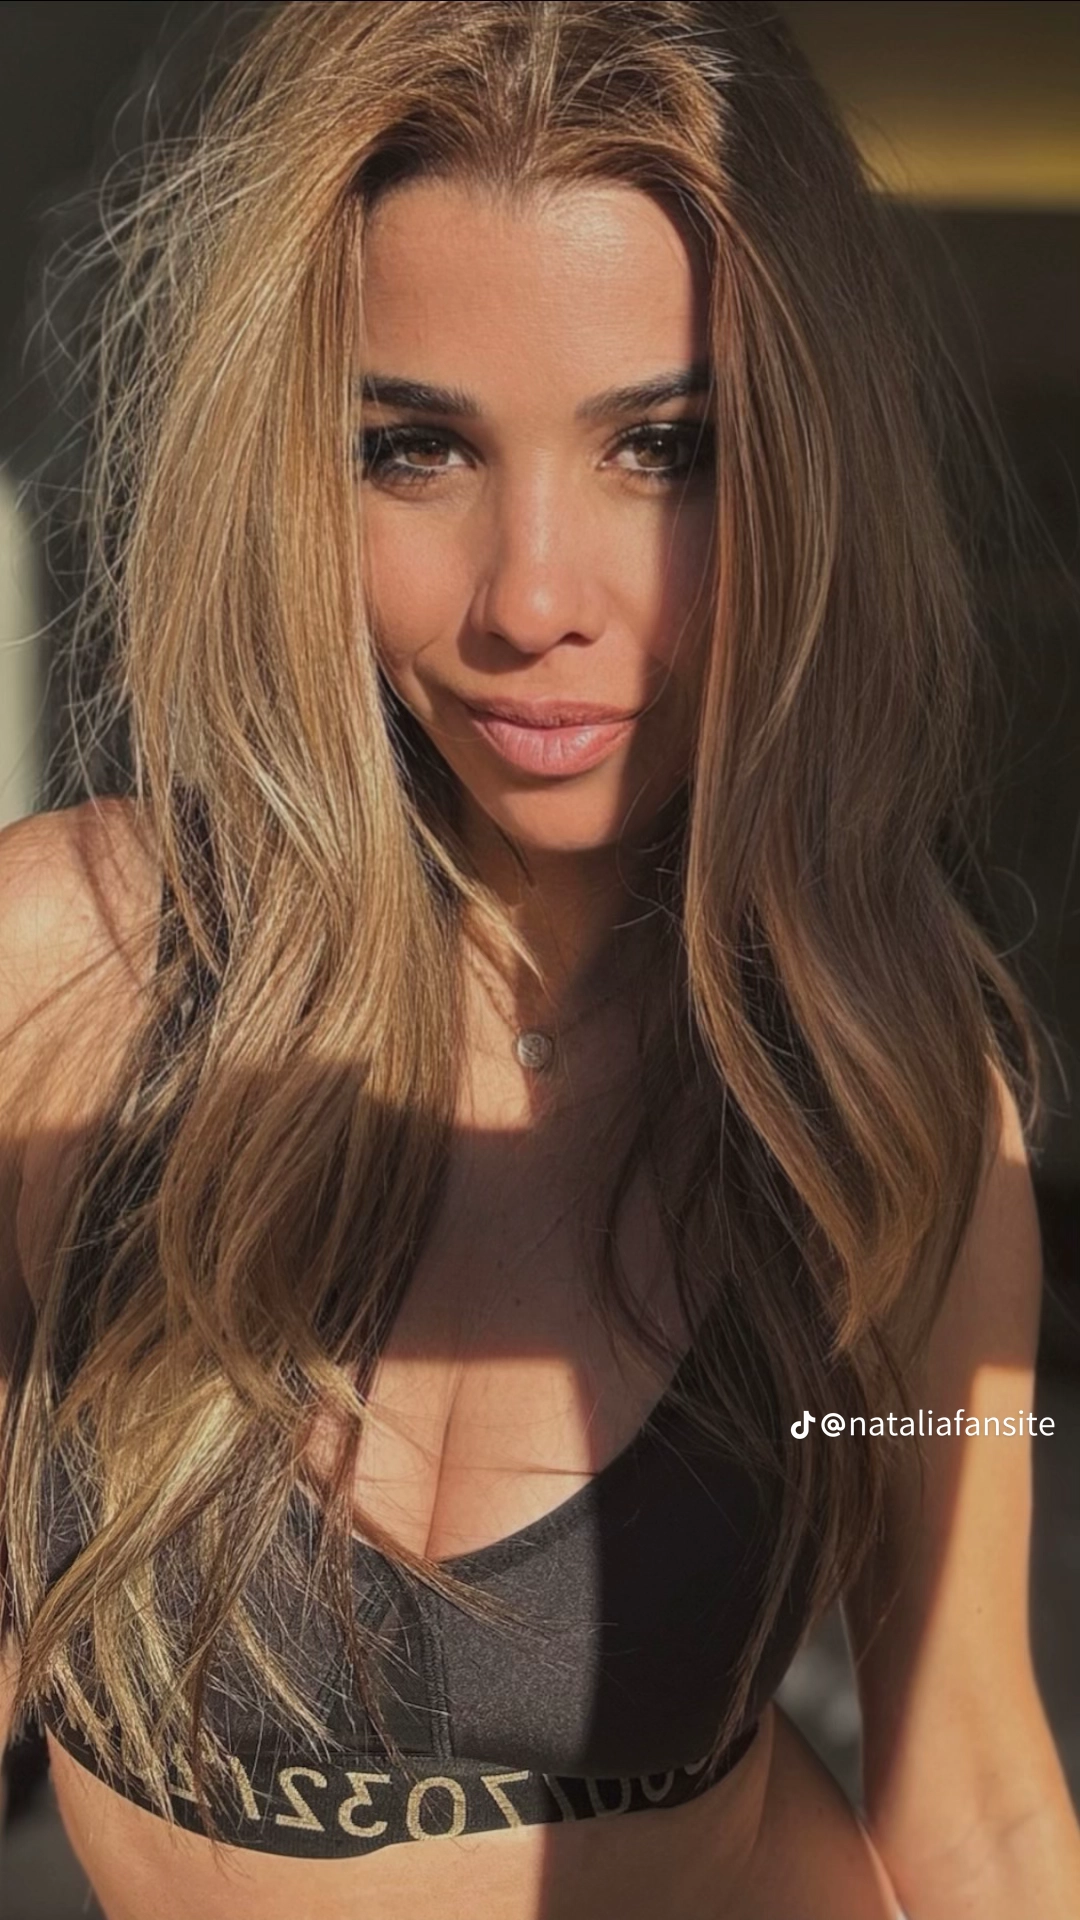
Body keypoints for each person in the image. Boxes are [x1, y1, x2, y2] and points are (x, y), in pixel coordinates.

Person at [0, 4, 1077, 1917]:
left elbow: (971, 1783)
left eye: (663, 449)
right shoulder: (63, 969)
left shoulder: (883, 1085)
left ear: (804, 479)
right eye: (415, 448)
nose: (533, 600)